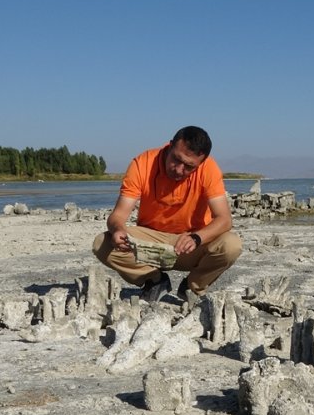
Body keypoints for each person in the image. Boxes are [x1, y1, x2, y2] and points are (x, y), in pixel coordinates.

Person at [92, 126, 242, 301]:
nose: (179, 170)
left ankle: (192, 287)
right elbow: (118, 216)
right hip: (151, 245)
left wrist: (196, 238)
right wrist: (118, 230)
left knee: (232, 245)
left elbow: (224, 219)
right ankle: (154, 280)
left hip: (191, 244)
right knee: (102, 243)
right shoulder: (143, 164)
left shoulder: (209, 169)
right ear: (170, 146)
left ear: (201, 163)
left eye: (189, 167)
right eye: (176, 159)